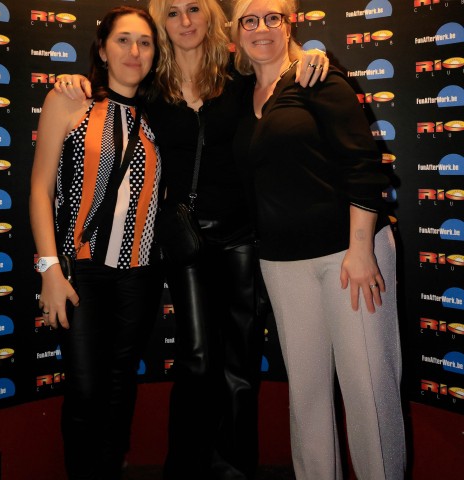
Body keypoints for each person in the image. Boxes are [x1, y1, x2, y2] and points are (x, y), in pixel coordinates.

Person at [54, 1, 328, 478]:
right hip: (185, 243)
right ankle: (184, 468)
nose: (185, 21)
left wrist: (306, 54)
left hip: (244, 237)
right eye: (173, 12)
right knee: (198, 358)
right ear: (162, 22)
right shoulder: (149, 88)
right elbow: (107, 93)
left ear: (211, 16)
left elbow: (277, 62)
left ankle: (234, 468)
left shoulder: (238, 77)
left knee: (241, 364)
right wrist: (72, 81)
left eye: (194, 8)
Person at [230, 0, 407, 479]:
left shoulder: (317, 77)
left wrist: (361, 250)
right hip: (281, 264)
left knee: (369, 393)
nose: (261, 28)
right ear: (236, 31)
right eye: (250, 19)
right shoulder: (238, 94)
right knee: (306, 398)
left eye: (273, 17)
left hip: (348, 255)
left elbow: (362, 164)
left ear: (289, 24)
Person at [29, 7, 164, 479]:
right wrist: (49, 268)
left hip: (141, 277)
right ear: (102, 50)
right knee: (85, 391)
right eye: (123, 40)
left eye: (145, 42)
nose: (134, 51)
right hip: (80, 272)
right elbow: (40, 190)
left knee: (119, 390)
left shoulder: (157, 115)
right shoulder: (69, 101)